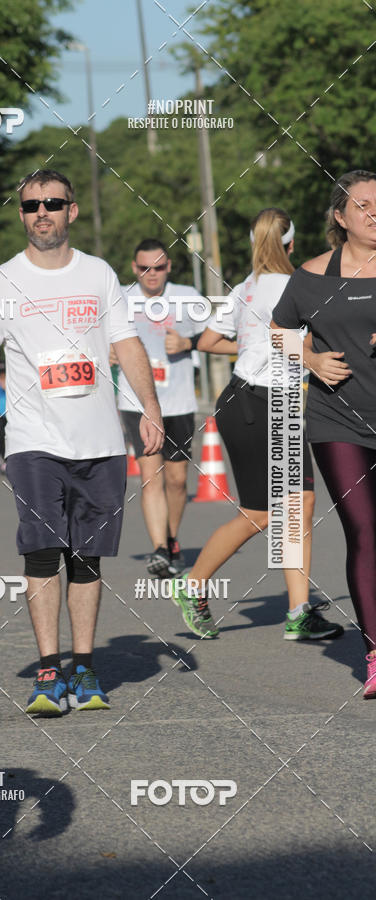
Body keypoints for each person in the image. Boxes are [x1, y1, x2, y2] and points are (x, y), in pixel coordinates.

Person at [0, 169, 163, 715]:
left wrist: (150, 409)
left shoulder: (99, 275)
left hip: (99, 439)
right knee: (42, 549)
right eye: (31, 206)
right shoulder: (1, 282)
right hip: (34, 439)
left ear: (72, 211)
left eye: (53, 203)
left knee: (87, 558)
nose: (43, 213)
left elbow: (126, 345)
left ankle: (85, 667)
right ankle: (49, 671)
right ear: (22, 214)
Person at [172, 208, 343, 644]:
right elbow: (292, 338)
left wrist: (251, 347)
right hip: (262, 401)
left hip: (254, 396)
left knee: (298, 505)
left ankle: (299, 611)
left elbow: (209, 342)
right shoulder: (294, 284)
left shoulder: (245, 287)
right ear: (291, 244)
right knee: (263, 512)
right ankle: (193, 585)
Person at [272, 171, 376, 698]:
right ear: (340, 216)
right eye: (363, 205)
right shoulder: (311, 277)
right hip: (339, 422)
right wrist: (309, 358)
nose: (374, 212)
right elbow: (277, 333)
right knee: (364, 530)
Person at [115, 238, 204, 577]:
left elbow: (211, 337)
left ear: (170, 267)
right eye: (144, 268)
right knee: (151, 477)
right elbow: (95, 338)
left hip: (178, 400)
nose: (152, 274)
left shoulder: (187, 297)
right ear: (134, 268)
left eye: (160, 267)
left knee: (177, 480)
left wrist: (188, 342)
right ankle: (159, 550)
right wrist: (107, 353)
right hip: (136, 401)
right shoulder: (121, 299)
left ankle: (171, 537)